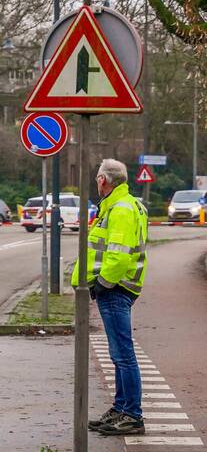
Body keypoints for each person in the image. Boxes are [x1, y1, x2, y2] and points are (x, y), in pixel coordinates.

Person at [78, 159, 148, 437]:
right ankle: (121, 409)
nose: (97, 182)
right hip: (119, 287)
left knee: (123, 354)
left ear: (103, 180)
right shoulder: (121, 205)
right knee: (118, 354)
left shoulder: (120, 209)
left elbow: (118, 256)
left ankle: (132, 415)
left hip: (116, 288)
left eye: (98, 177)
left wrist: (102, 284)